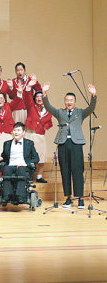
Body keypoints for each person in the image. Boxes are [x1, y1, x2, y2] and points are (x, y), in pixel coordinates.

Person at [43, 82, 97, 210]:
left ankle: (80, 199)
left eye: (71, 100)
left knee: (78, 171)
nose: (69, 102)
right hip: (63, 143)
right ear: (64, 101)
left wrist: (94, 95)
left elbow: (91, 108)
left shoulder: (80, 112)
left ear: (75, 101)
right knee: (65, 171)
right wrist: (44, 94)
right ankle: (68, 197)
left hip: (76, 143)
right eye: (67, 100)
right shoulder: (60, 112)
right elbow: (49, 107)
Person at [0, 122, 39, 204]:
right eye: (14, 130)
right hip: (10, 165)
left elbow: (36, 158)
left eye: (18, 130)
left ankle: (20, 196)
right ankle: (6, 196)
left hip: (23, 166)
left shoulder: (29, 143)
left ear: (23, 132)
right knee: (6, 170)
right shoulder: (7, 143)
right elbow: (4, 158)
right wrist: (0, 159)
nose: (16, 132)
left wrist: (26, 164)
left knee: (21, 171)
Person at [22, 76, 53, 183]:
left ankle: (39, 176)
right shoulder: (31, 106)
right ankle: (28, 176)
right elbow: (27, 97)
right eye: (37, 96)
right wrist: (29, 87)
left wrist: (46, 125)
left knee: (41, 156)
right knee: (28, 155)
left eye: (41, 96)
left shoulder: (48, 110)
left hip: (40, 135)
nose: (39, 98)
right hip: (30, 134)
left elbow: (49, 123)